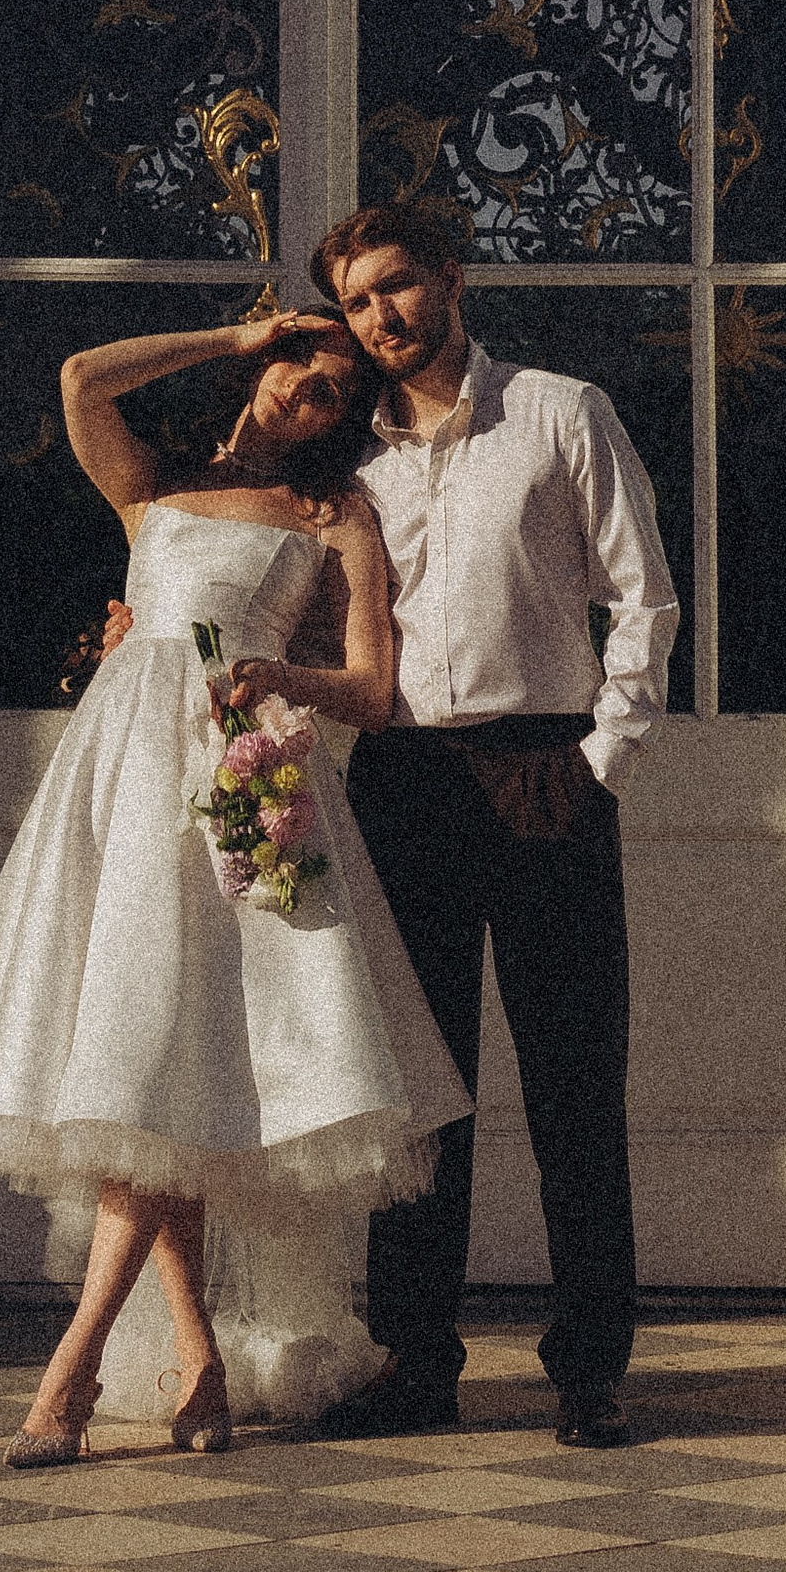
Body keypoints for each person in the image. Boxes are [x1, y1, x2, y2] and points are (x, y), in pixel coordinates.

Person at [0, 309, 471, 1465]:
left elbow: (368, 685)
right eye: (303, 364)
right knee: (154, 1078)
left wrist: (276, 675)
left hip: (237, 787)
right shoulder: (150, 487)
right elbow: (77, 368)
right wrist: (233, 332)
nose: (315, 389)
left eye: (340, 388)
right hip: (118, 786)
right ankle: (198, 1362)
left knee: (167, 1074)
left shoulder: (332, 513)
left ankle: (73, 1367)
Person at [309, 198, 680, 1451]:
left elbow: (643, 596)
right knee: (422, 1099)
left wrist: (601, 760)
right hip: (400, 783)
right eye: (357, 302)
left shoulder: (560, 413)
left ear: (451, 278)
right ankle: (417, 1365)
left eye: (398, 287)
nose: (382, 318)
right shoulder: (342, 460)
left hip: (542, 772)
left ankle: (590, 1371)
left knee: (576, 1087)